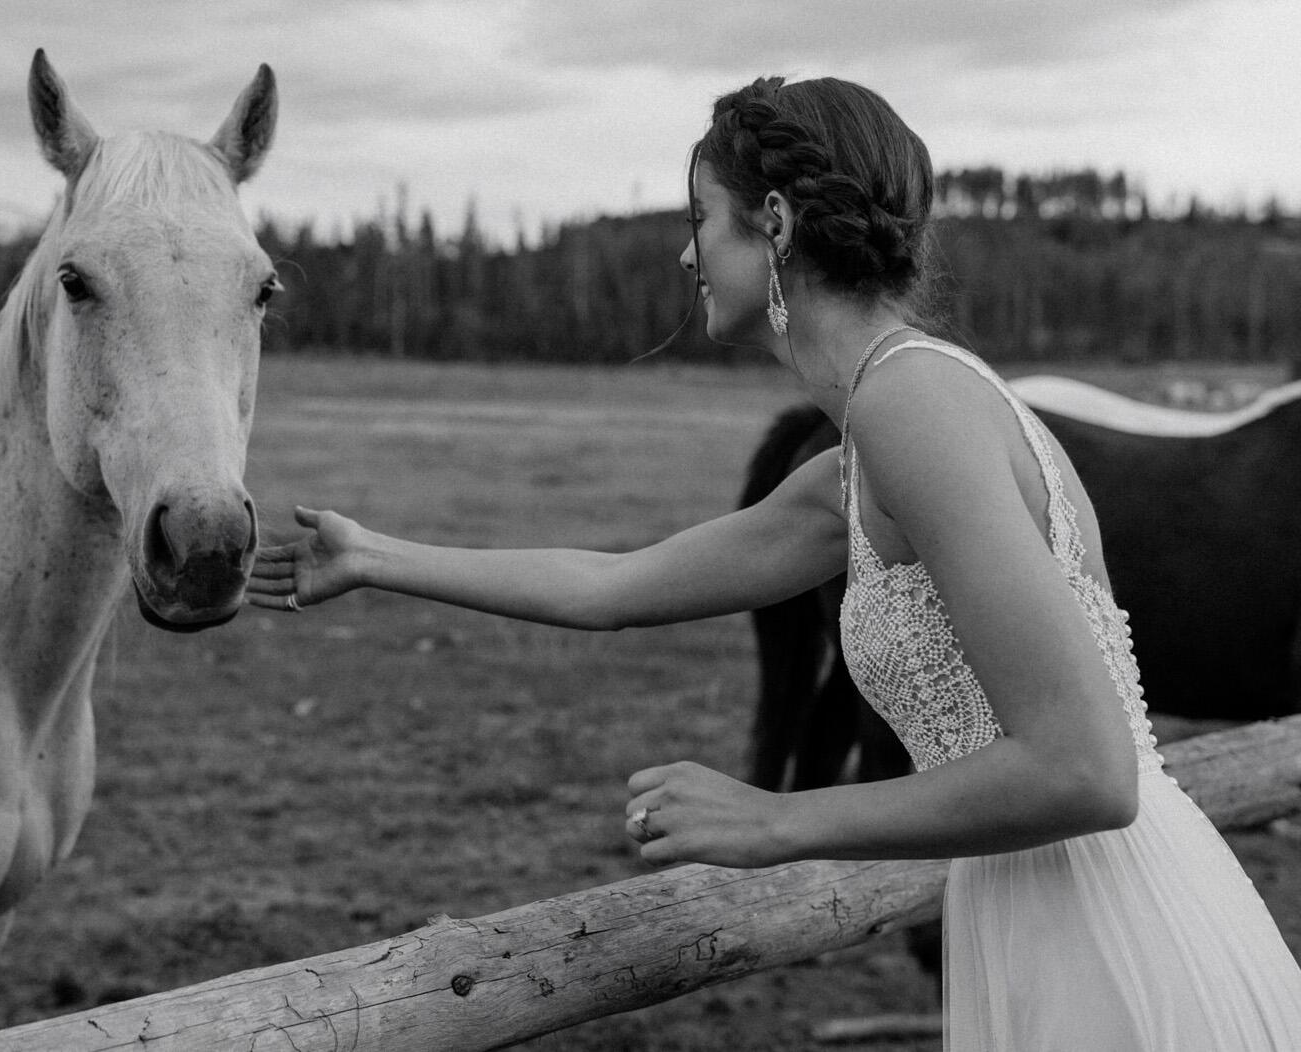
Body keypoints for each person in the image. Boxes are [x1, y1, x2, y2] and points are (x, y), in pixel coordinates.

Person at [246, 75, 1301, 1049]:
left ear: (779, 223)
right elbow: (614, 585)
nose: (685, 255)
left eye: (700, 219)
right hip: (1039, 903)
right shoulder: (870, 446)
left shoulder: (913, 404)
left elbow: (1087, 766)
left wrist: (777, 819)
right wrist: (377, 554)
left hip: (1104, 923)